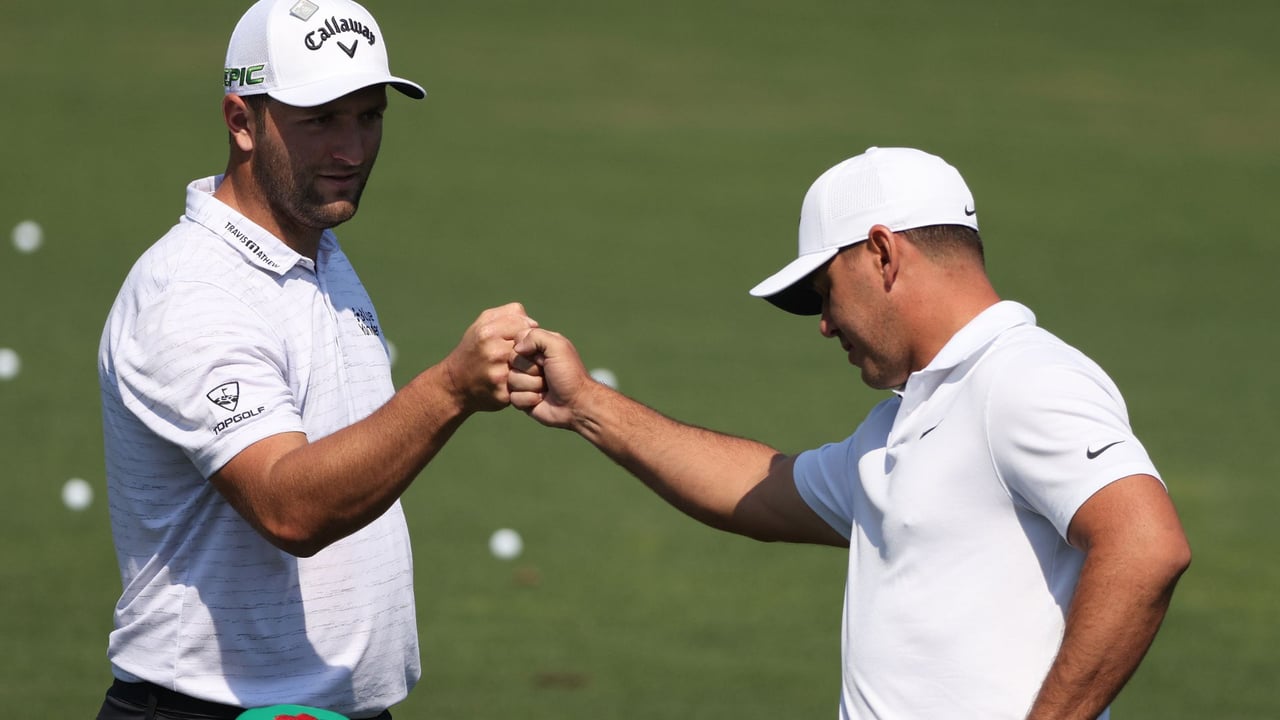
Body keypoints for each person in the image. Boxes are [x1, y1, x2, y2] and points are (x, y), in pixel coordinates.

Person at [507, 146, 1191, 719]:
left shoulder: (1020, 379)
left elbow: (1145, 543)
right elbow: (760, 491)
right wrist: (587, 406)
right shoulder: (907, 419)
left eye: (824, 292)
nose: (826, 324)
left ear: (882, 253)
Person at [95, 1, 536, 718]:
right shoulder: (191, 294)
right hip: (207, 708)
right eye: (321, 121)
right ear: (241, 120)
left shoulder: (314, 248)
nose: (353, 150)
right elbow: (289, 507)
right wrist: (449, 390)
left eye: (369, 117)